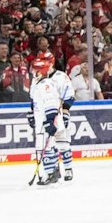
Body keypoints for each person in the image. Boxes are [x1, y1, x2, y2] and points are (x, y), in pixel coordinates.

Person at [29, 53, 76, 186]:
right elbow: (35, 100)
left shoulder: (47, 83)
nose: (33, 71)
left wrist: (50, 120)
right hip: (49, 117)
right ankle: (53, 170)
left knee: (49, 144)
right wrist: (32, 113)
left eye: (35, 69)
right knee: (49, 145)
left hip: (51, 118)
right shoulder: (40, 82)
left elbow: (50, 103)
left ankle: (52, 172)